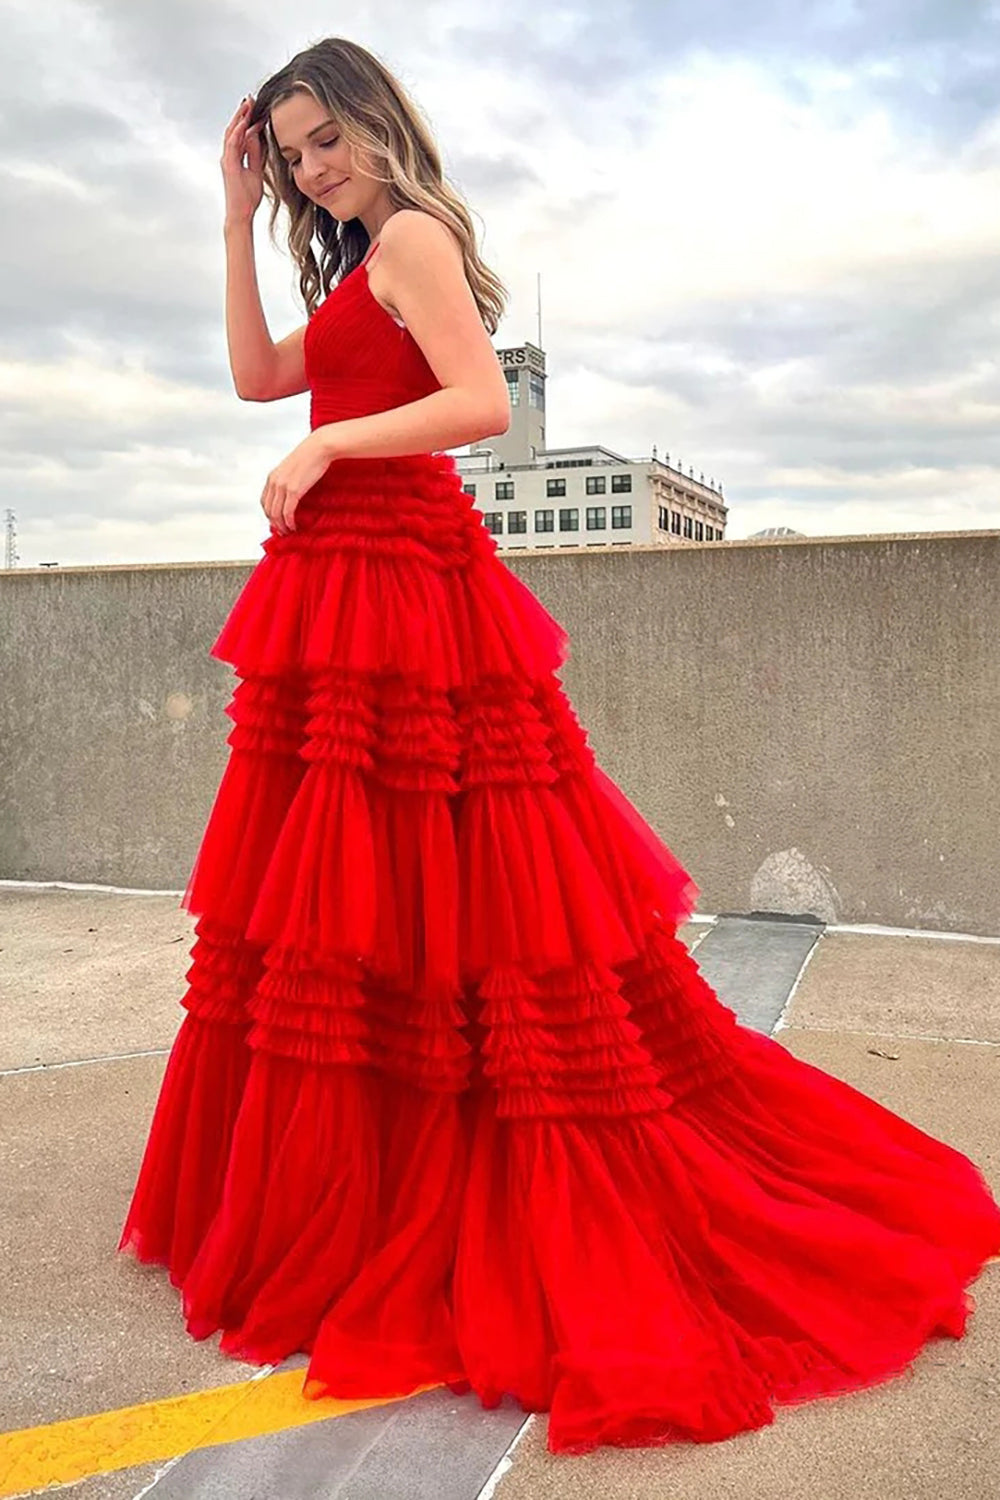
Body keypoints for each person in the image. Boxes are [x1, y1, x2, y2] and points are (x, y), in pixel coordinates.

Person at [118, 35, 1000, 1457]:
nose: (311, 168)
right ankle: (374, 1163)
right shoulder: (348, 260)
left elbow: (474, 407)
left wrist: (333, 450)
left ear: (375, 123)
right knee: (346, 913)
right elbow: (256, 376)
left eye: (325, 138)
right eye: (290, 155)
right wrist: (233, 221)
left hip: (406, 581)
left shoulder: (409, 237)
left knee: (439, 898)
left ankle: (436, 1163)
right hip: (347, 586)